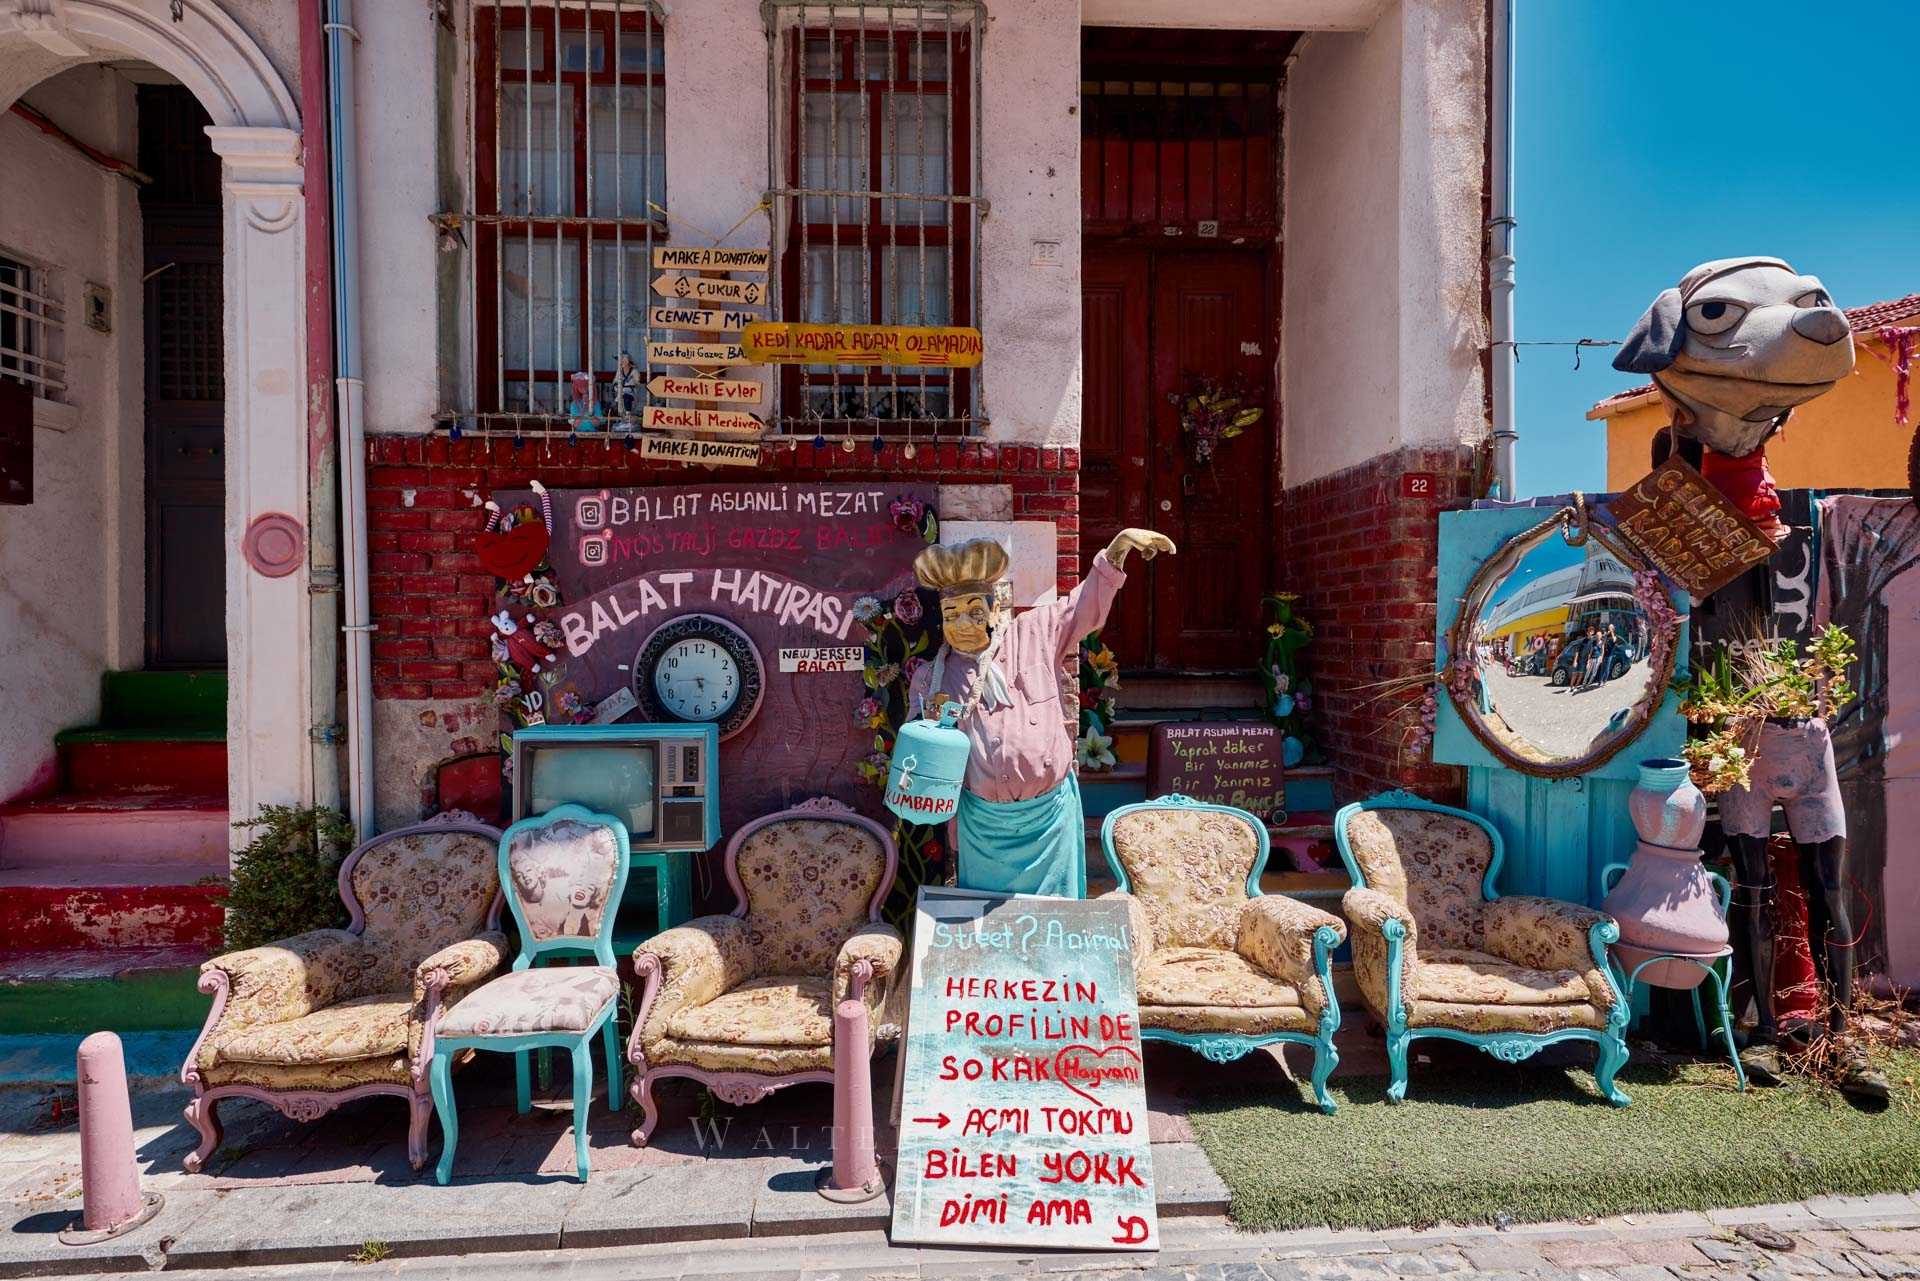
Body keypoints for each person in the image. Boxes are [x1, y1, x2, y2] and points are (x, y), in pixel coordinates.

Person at [908, 529, 1175, 898]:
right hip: (983, 829)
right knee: (993, 936)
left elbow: (1083, 608)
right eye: (951, 614)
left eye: (974, 611)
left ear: (993, 609)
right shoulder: (930, 679)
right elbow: (920, 757)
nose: (963, 624)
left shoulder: (1034, 634)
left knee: (1055, 928)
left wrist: (1117, 550)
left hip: (1049, 821)